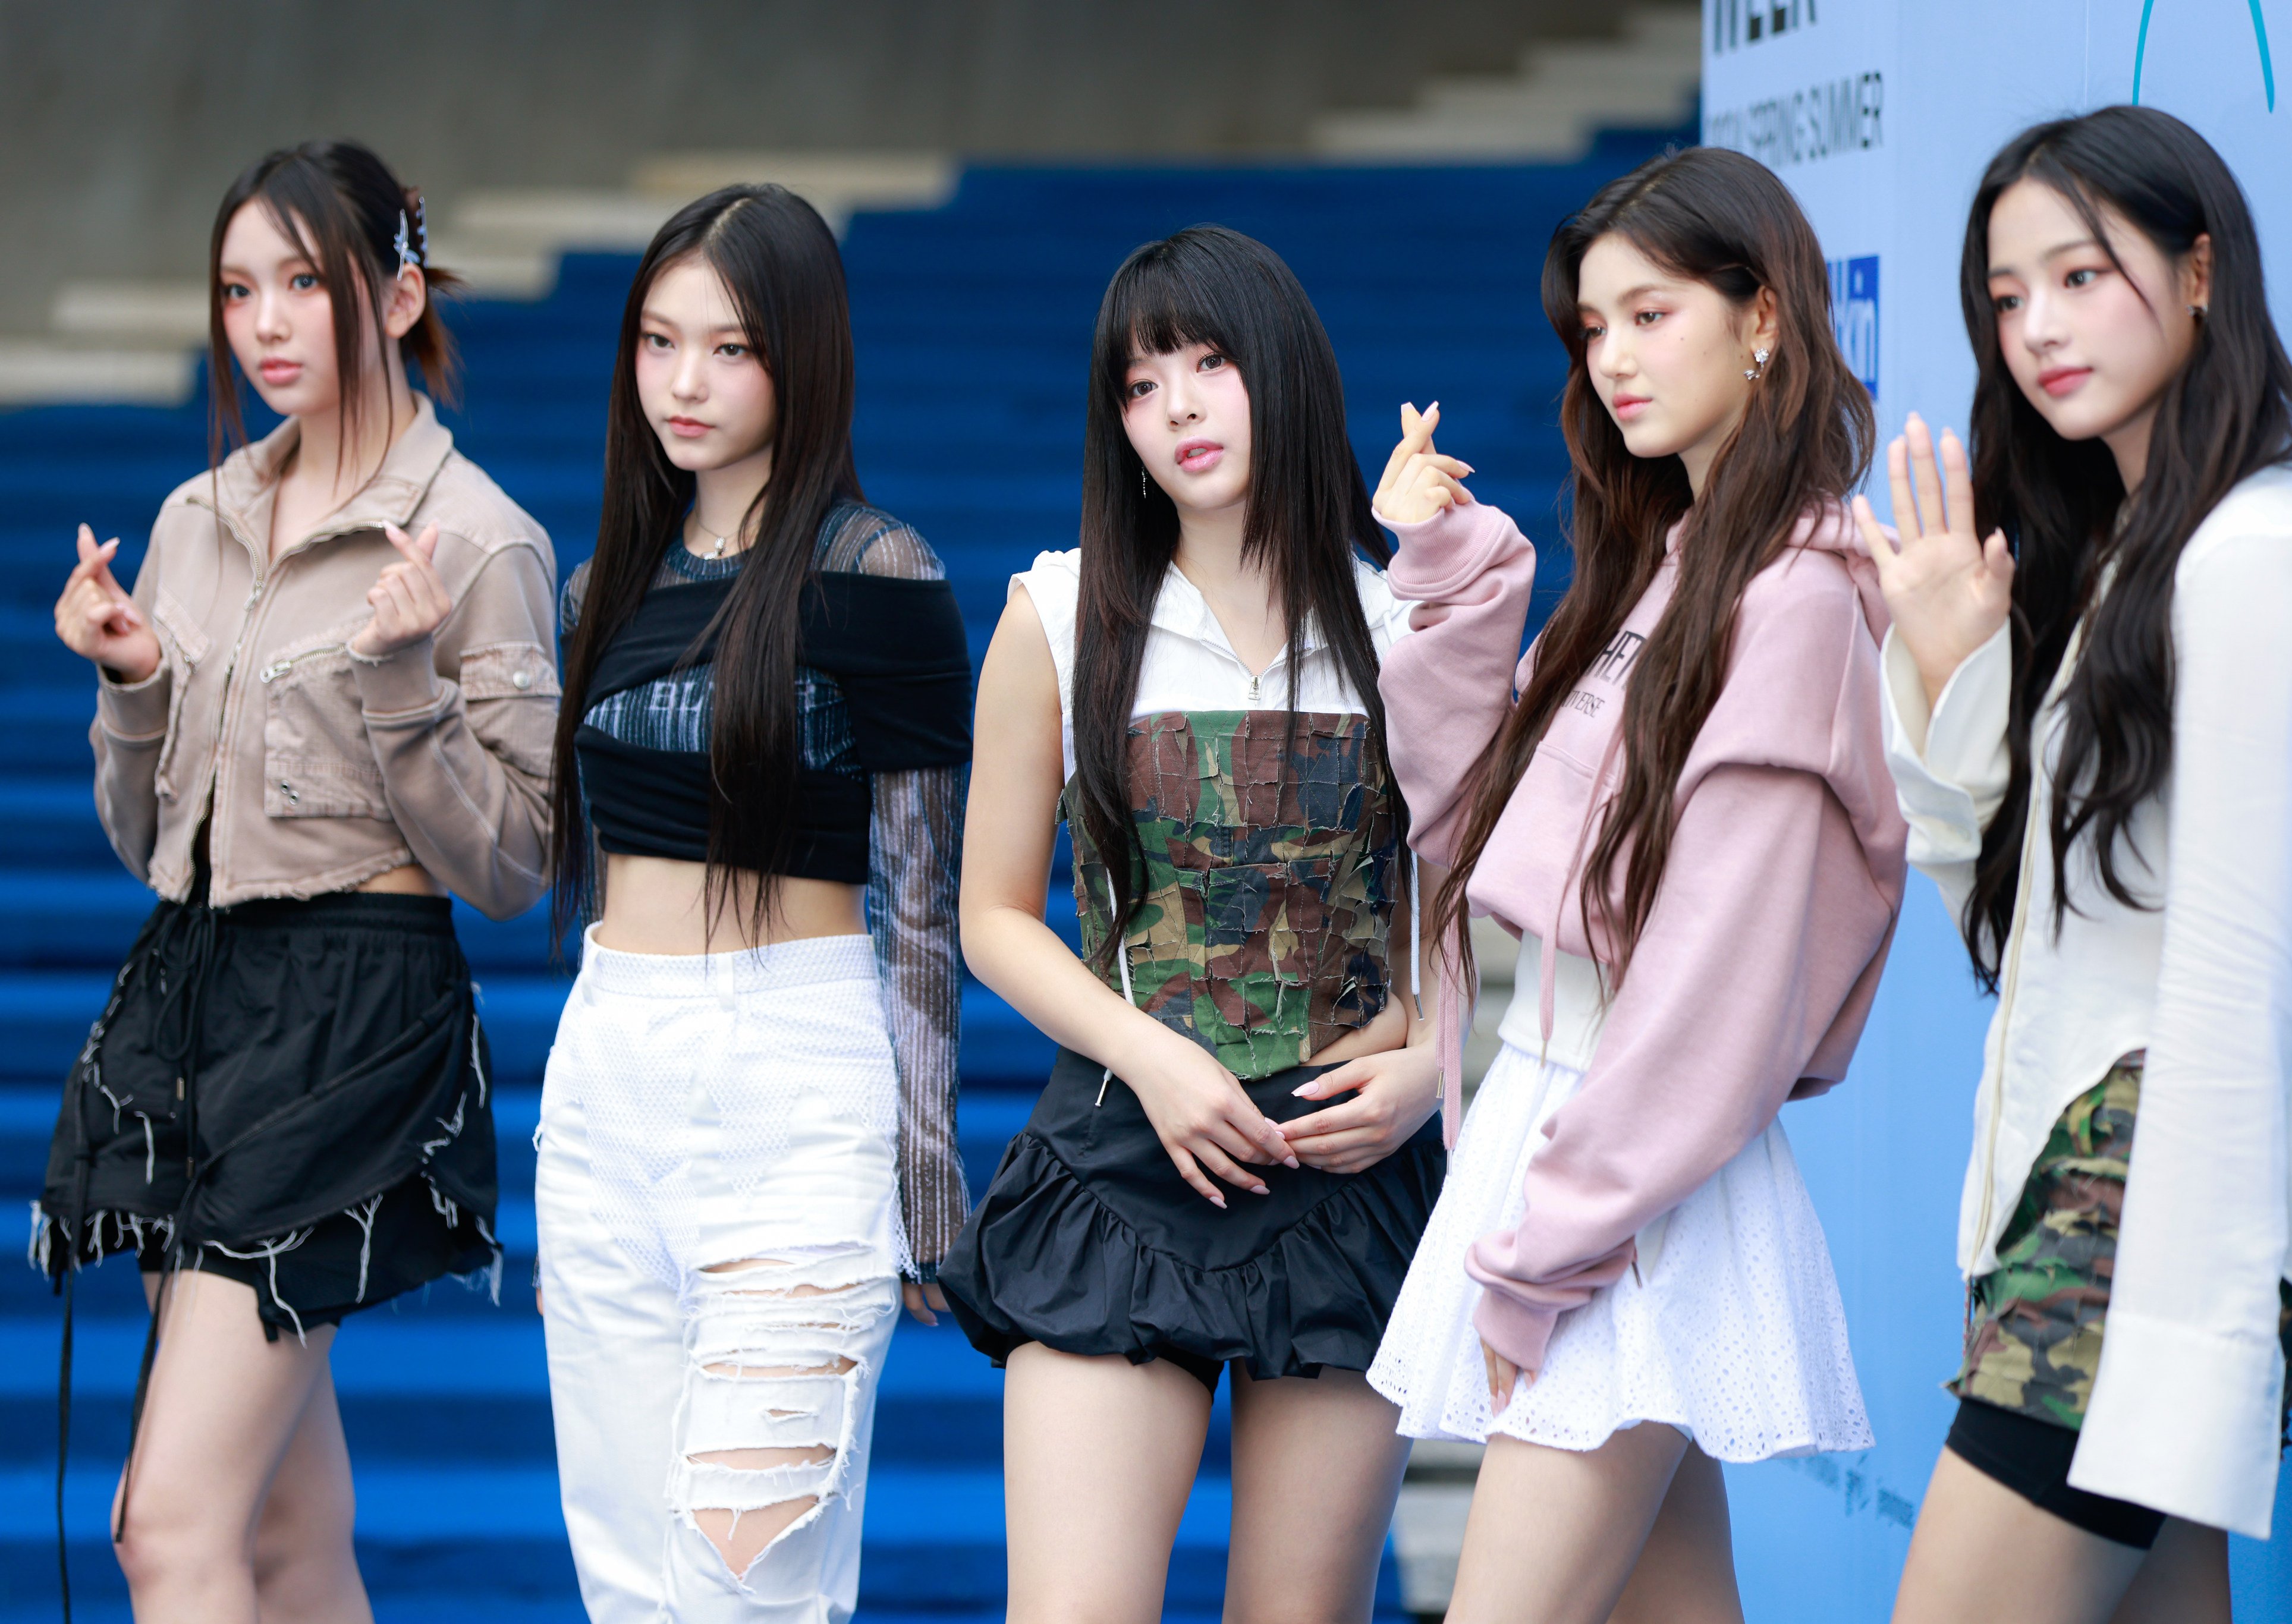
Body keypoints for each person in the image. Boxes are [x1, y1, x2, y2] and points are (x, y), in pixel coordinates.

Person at [1363, 147, 1906, 1624]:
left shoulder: (1794, 595)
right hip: (1576, 1142)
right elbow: (1455, 818)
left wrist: (1541, 1252)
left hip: (1622, 1184)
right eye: (1589, 328)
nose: (1609, 358)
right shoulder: (1658, 567)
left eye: (1649, 314)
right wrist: (1451, 575)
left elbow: (1716, 985)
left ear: (1763, 320)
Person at [37, 140, 555, 1623]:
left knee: (164, 1525)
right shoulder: (198, 517)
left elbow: (515, 866)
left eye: (301, 288)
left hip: (351, 1010)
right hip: (192, 999)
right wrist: (134, 685)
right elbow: (149, 848)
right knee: (275, 1534)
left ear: (395, 298)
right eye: (235, 290)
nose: (261, 323)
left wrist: (403, 687)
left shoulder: (480, 539)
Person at [1865, 107, 2292, 1623]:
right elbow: (2015, 929)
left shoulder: (2257, 557)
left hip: (2152, 1215)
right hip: (2081, 1198)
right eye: (2005, 297)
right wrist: (1953, 670)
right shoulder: (2129, 563)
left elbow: (2235, 973)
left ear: (2197, 271)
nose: (2035, 329)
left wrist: (2183, 1343)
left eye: (2080, 276)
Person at [938, 225, 1445, 1624]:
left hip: (1343, 1167)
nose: (1178, 406)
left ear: (1277, 370)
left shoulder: (1406, 617)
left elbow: (1467, 911)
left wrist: (1426, 1064)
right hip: (1122, 1157)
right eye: (1142, 381)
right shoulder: (1055, 612)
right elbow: (990, 916)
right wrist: (1151, 1060)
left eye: (1209, 363)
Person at [536, 182, 970, 1624]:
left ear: (801, 355)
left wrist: (925, 1160)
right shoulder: (605, 581)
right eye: (659, 342)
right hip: (609, 1078)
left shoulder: (879, 572)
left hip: (796, 1079)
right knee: (630, 1580)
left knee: (745, 1568)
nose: (684, 382)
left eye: (729, 347)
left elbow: (921, 890)